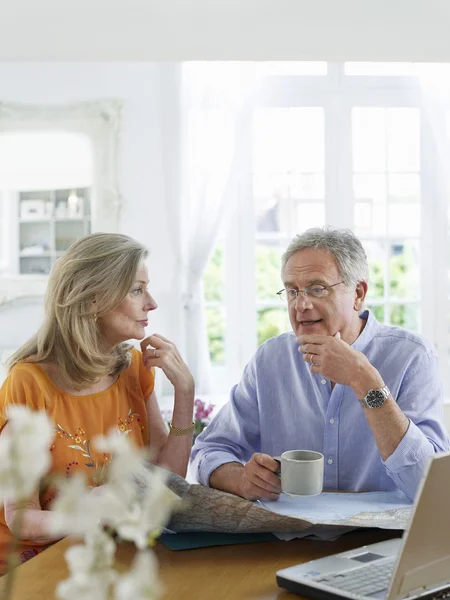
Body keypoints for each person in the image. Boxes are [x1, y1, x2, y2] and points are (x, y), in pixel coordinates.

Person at [191, 227, 449, 503]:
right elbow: (209, 450)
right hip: (288, 538)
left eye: (317, 288)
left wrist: (366, 382)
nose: (301, 304)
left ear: (358, 294)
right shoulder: (270, 360)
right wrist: (240, 478)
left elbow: (432, 488)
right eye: (292, 291)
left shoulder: (413, 357)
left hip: (383, 540)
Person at [0, 232, 194, 572]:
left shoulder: (134, 366)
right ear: (92, 300)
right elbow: (19, 518)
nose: (151, 302)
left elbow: (166, 481)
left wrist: (185, 393)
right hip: (34, 566)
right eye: (137, 289)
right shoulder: (28, 383)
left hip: (107, 552)